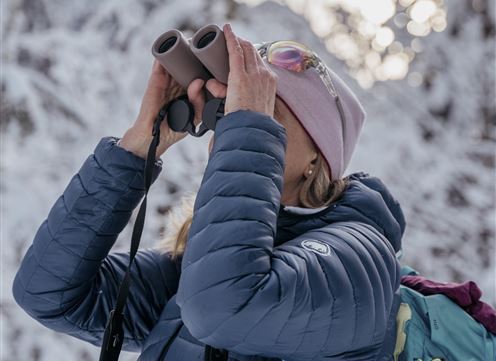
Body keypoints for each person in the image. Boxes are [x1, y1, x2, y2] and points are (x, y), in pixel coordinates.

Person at [12, 23, 406, 361]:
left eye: (265, 112)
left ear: (318, 158)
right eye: (228, 112)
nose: (233, 126)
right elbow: (48, 294)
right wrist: (136, 148)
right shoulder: (205, 262)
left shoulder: (359, 253)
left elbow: (223, 306)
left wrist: (249, 126)